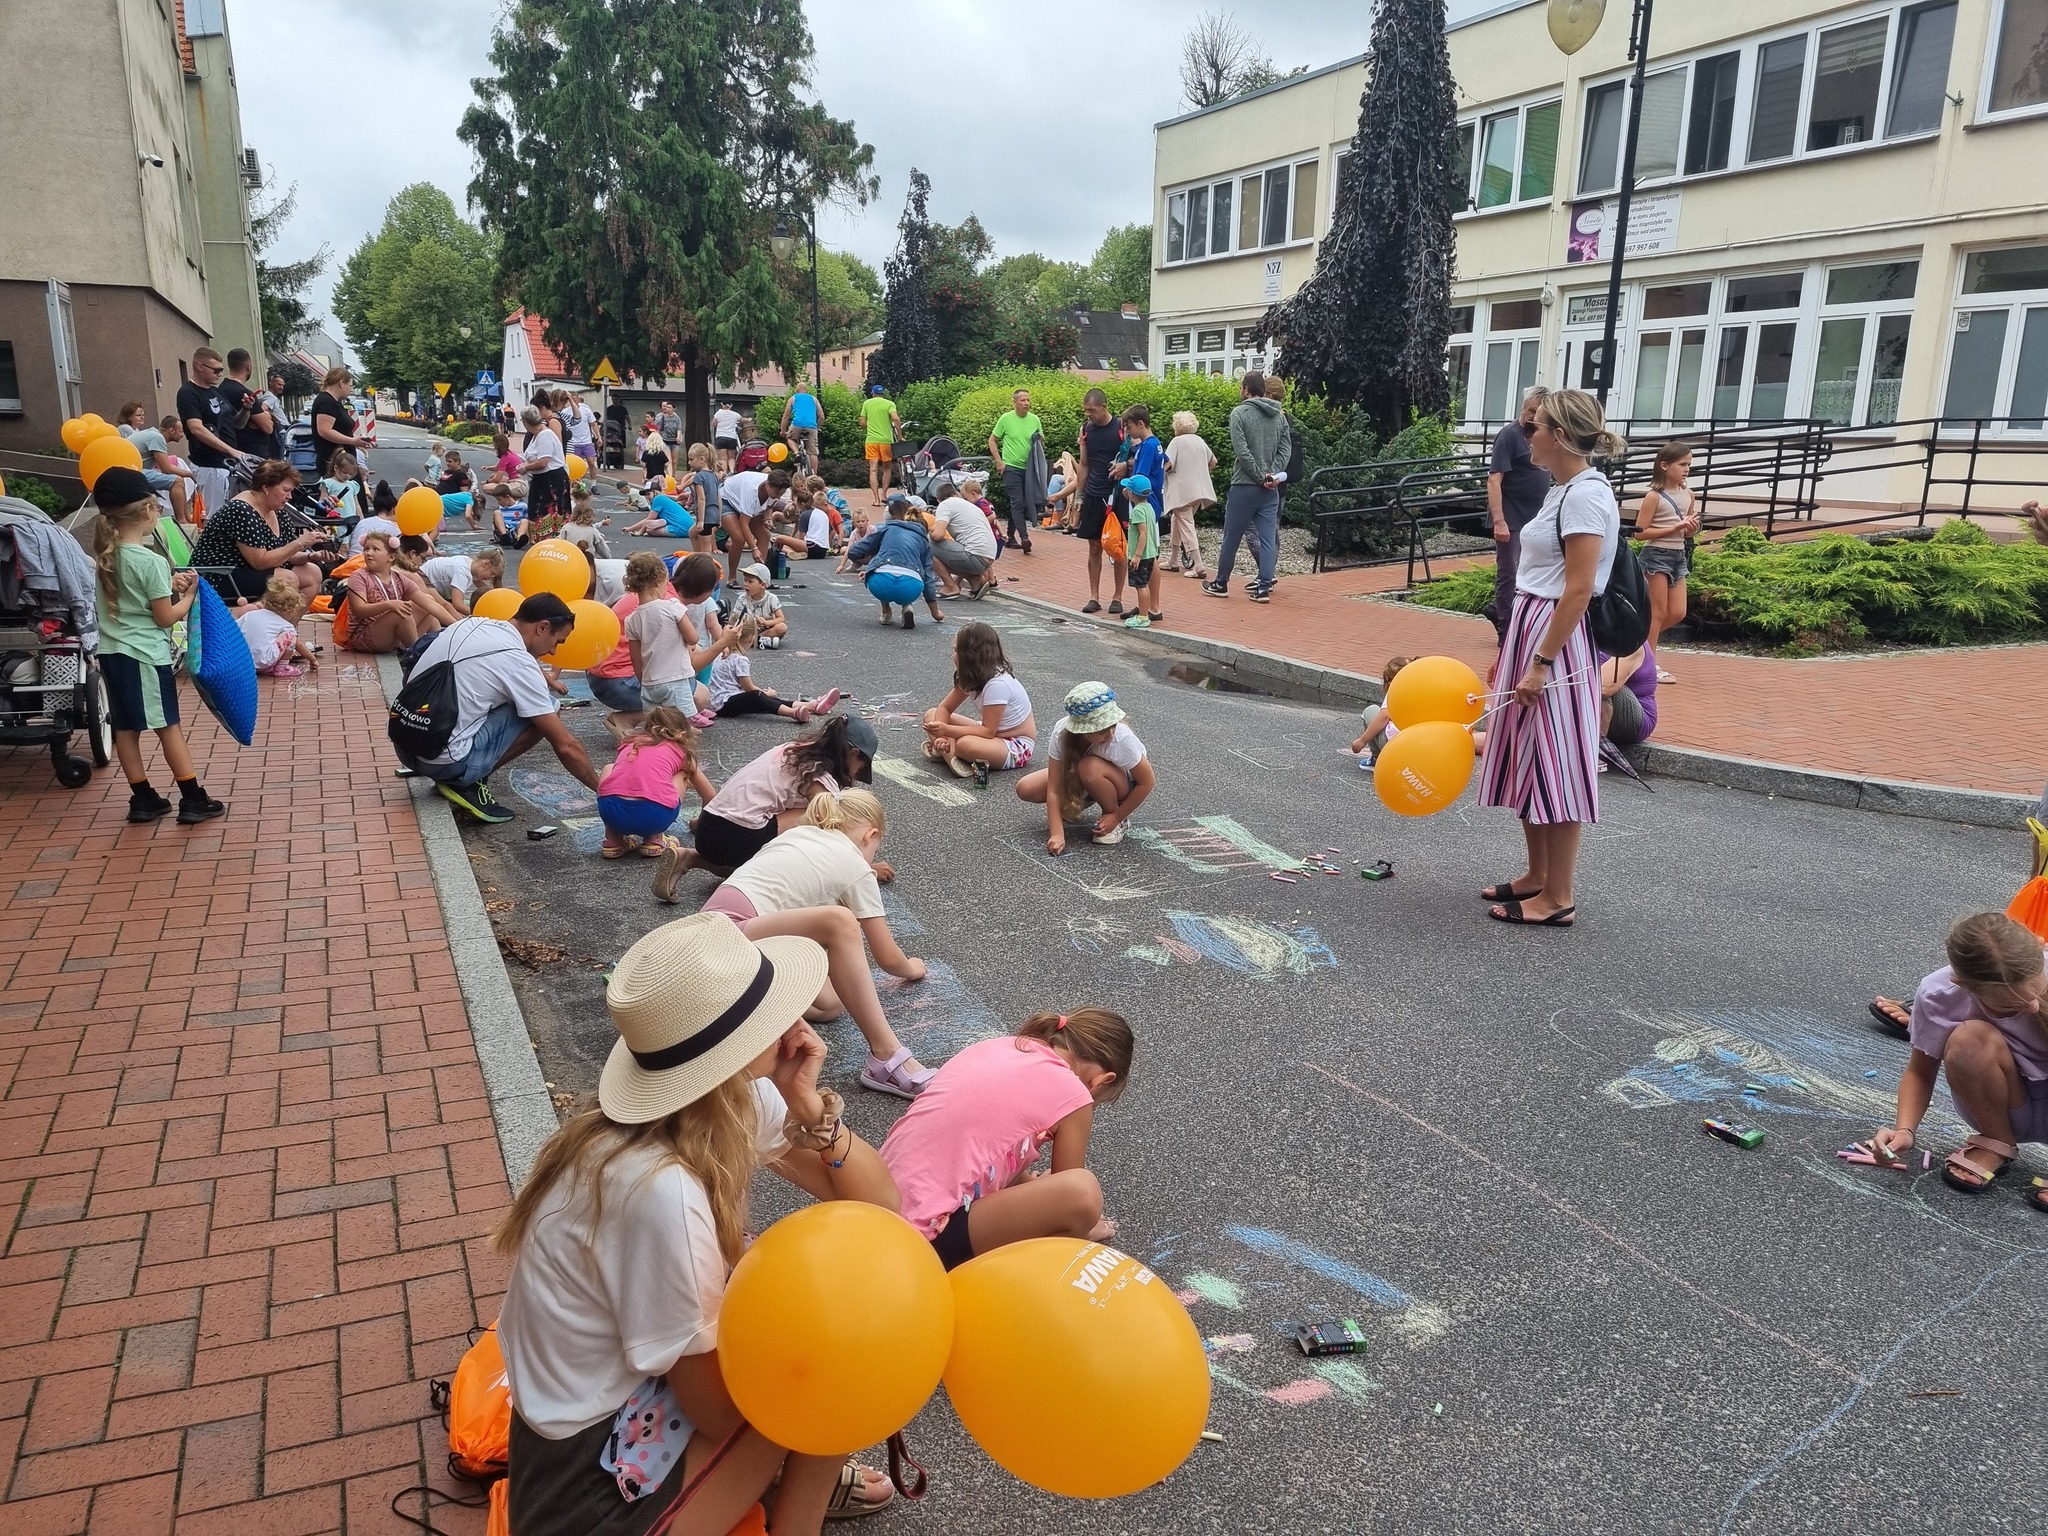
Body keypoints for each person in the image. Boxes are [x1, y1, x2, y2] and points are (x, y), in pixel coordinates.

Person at [495, 915, 900, 1536]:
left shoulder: (714, 1104)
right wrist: (813, 1406)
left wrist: (809, 1107)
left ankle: (784, 1478)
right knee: (840, 1383)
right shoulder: (660, 1192)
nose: (794, 1020)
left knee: (814, 1345)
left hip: (617, 1417)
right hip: (584, 1494)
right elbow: (714, 1410)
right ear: (735, 1045)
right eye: (773, 1008)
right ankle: (794, 1506)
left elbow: (880, 1212)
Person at [1478, 388, 1625, 929]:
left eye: (1535, 426)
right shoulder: (1561, 490)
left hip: (1557, 638)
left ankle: (1558, 895)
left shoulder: (1586, 495)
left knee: (1557, 762)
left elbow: (1580, 588)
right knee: (1528, 755)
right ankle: (1536, 875)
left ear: (1560, 436)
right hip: (1534, 626)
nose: (1527, 433)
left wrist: (1541, 661)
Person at [700, 790, 934, 1099]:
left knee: (830, 1003)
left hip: (707, 940)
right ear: (870, 835)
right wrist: (913, 968)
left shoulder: (797, 836)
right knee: (840, 922)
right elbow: (888, 958)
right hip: (731, 940)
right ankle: (885, 1056)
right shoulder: (855, 864)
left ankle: (751, 1005)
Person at [881, 1009, 1132, 1269]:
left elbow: (989, 1145)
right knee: (1083, 1193)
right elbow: (1068, 1186)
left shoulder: (1002, 1046)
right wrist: (1088, 1228)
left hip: (877, 1199)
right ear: (1102, 1081)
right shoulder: (1075, 1094)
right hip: (925, 1235)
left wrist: (1026, 1185)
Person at [1866, 912, 2047, 1204]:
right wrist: (1905, 1129)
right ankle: (1996, 1142)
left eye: (2036, 992)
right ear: (1961, 984)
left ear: (2040, 945)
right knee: (1969, 1039)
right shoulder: (1938, 994)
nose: (2034, 1005)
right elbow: (1920, 1072)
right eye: (2011, 1005)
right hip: (2008, 1106)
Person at [89, 468, 227, 825]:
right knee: (168, 727)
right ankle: (193, 798)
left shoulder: (108, 556)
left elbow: (134, 598)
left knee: (126, 729)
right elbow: (165, 617)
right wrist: (190, 593)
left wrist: (170, 583)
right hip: (145, 657)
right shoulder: (149, 559)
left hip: (112, 654)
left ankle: (144, 798)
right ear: (148, 511)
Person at [392, 594, 603, 823]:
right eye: (557, 641)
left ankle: (458, 765)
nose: (553, 652)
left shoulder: (469, 623)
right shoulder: (518, 662)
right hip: (442, 764)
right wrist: (604, 790)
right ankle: (468, 782)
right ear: (542, 628)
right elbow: (565, 745)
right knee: (546, 707)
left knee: (513, 697)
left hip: (403, 748)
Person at [660, 715, 881, 894]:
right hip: (735, 839)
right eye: (861, 765)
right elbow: (836, 832)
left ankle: (690, 857)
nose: (857, 772)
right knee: (822, 812)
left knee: (747, 867)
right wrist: (863, 868)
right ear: (853, 754)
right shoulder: (819, 778)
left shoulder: (792, 750)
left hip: (709, 828)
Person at [1017, 682, 1154, 856]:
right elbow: (1054, 789)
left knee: (1089, 767)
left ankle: (1114, 818)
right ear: (1081, 731)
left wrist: (1117, 816)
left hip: (1122, 785)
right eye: (1102, 730)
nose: (1110, 733)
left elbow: (1147, 782)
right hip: (1086, 777)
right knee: (1026, 788)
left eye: (1113, 725)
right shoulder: (1061, 733)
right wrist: (1057, 834)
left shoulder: (1120, 739)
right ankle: (1087, 796)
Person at [1203, 372, 1291, 604]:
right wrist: (1271, 474)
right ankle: (1263, 588)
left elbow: (1242, 451)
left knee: (1232, 536)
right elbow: (1285, 449)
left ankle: (1221, 583)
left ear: (1245, 389)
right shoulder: (1279, 417)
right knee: (1268, 538)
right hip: (1270, 488)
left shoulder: (1239, 413)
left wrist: (1257, 475)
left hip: (1244, 485)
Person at [191, 459, 330, 605]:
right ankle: (271, 627)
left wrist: (312, 555)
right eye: (286, 490)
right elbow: (260, 562)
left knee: (311, 573)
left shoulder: (277, 509)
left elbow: (286, 553)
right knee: (286, 579)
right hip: (219, 576)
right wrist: (301, 542)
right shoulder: (241, 510)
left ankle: (288, 627)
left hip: (248, 572)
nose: (290, 497)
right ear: (266, 487)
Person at [596, 706, 715, 860]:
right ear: (683, 733)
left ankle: (613, 839)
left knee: (609, 768)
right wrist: (700, 824)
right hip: (653, 818)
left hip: (612, 814)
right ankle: (655, 839)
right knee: (682, 774)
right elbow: (710, 796)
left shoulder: (631, 744)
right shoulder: (682, 753)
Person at [921, 620, 1035, 779]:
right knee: (931, 715)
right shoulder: (971, 676)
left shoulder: (998, 684)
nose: (952, 655)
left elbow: (988, 731)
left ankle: (950, 754)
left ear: (969, 655)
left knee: (965, 744)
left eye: (955, 650)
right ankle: (953, 757)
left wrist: (946, 731)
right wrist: (941, 737)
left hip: (1015, 744)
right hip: (990, 735)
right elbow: (945, 708)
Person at [1487, 388, 1554, 643]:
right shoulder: (1509, 435)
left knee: (1531, 572)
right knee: (1510, 571)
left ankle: (1501, 612)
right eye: (1532, 411)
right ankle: (1506, 628)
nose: (1534, 416)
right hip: (1512, 514)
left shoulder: (1543, 435)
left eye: (1540, 413)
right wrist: (1499, 520)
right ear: (1524, 408)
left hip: (1537, 516)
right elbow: (1494, 480)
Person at [625, 559, 720, 727]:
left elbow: (635, 658)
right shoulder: (672, 606)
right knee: (683, 725)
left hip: (649, 683)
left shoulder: (631, 619)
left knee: (656, 725)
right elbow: (693, 638)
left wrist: (643, 680)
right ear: (658, 582)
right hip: (675, 679)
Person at [1634, 441, 1698, 684]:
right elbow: (1639, 533)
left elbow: (1688, 531)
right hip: (1656, 555)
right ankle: (1648, 665)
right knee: (1657, 613)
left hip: (1678, 555)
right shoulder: (1654, 496)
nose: (1686, 469)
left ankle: (1637, 644)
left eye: (1688, 465)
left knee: (1678, 612)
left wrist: (1690, 529)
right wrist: (1674, 527)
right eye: (1682, 464)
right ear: (1664, 465)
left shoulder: (1688, 494)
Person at [707, 618, 837, 724]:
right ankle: (793, 713)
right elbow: (749, 689)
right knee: (758, 696)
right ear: (752, 638)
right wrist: (765, 693)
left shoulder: (719, 653)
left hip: (721, 702)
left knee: (764, 702)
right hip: (724, 704)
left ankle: (811, 705)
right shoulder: (740, 659)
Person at [176, 346, 253, 519]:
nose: (219, 374)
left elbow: (236, 424)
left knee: (231, 516)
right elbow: (196, 428)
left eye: (221, 370)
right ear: (199, 366)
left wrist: (246, 409)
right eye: (216, 370)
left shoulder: (214, 391)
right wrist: (230, 450)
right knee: (215, 517)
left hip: (227, 463)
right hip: (209, 464)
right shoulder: (188, 393)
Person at [845, 496, 943, 630]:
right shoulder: (922, 539)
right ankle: (907, 605)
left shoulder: (885, 529)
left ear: (891, 515)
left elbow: (854, 551)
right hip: (911, 587)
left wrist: (872, 553)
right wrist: (935, 613)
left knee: (880, 563)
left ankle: (886, 612)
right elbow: (928, 577)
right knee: (912, 573)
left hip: (880, 584)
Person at [344, 532, 444, 654]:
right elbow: (360, 610)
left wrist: (460, 626)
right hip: (364, 636)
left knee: (428, 601)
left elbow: (433, 606)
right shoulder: (359, 576)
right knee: (401, 612)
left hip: (391, 634)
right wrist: (389, 605)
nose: (369, 553)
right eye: (366, 549)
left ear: (391, 557)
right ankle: (415, 655)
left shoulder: (398, 578)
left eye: (375, 549)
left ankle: (440, 645)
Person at [1075, 389, 1127, 614]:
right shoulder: (1086, 430)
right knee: (1094, 546)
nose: (1089, 415)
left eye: (1092, 411)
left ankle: (1117, 596)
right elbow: (1084, 464)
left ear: (1104, 407)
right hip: (1095, 494)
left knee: (1118, 547)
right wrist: (1079, 495)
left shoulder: (1121, 427)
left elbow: (1138, 454)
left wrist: (1127, 465)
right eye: (1086, 411)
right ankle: (1094, 596)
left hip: (1118, 494)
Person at [1161, 411, 1215, 580]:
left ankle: (1198, 565)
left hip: (1181, 491)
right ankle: (1173, 560)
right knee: (1177, 520)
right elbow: (1213, 461)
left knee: (1186, 524)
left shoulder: (1177, 442)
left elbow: (1167, 463)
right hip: (1199, 491)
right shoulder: (1199, 441)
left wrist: (1158, 477)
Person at [987, 388, 1043, 552]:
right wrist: (999, 461)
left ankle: (1011, 537)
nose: (1026, 403)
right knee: (1017, 501)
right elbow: (992, 441)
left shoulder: (1035, 420)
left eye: (1028, 400)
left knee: (1022, 503)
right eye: (1022, 400)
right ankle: (1024, 538)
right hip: (1011, 466)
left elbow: (1040, 442)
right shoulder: (1006, 419)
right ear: (1014, 402)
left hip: (1030, 469)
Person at [119, 402, 195, 523]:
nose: (182, 435)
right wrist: (190, 474)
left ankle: (188, 518)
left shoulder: (152, 434)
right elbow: (167, 469)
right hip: (132, 472)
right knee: (177, 481)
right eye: (180, 431)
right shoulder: (157, 438)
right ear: (171, 430)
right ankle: (182, 521)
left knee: (178, 479)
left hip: (131, 471)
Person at [930, 474, 999, 598]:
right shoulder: (970, 506)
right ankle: (975, 581)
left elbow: (937, 535)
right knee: (949, 551)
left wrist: (932, 530)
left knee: (926, 543)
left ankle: (951, 586)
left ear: (938, 499)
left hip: (975, 557)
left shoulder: (946, 504)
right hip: (988, 558)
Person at [719, 466, 793, 582]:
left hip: (747, 506)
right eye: (777, 493)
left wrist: (767, 518)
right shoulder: (751, 491)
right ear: (767, 485)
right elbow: (744, 523)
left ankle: (760, 577)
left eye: (781, 494)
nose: (778, 497)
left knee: (764, 535)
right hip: (727, 501)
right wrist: (754, 548)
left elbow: (769, 506)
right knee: (739, 539)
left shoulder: (774, 488)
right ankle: (732, 577)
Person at [239, 573, 318, 678]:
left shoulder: (249, 615)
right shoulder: (284, 624)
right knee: (290, 636)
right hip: (264, 662)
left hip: (243, 663)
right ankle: (282, 668)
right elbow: (299, 645)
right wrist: (313, 659)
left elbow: (233, 629)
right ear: (288, 610)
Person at [1118, 473, 1163, 629]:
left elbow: (1142, 534)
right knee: (1143, 584)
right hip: (1150, 553)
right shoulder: (1149, 507)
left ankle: (1143, 616)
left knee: (1140, 585)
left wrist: (1136, 555)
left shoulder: (1137, 511)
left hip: (1141, 555)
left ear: (1131, 493)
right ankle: (1144, 612)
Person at [309, 365, 369, 478]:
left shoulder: (333, 402)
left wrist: (357, 441)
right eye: (350, 386)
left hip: (342, 462)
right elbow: (325, 431)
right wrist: (352, 441)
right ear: (341, 383)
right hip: (335, 464)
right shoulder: (326, 402)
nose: (351, 390)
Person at [520, 404, 571, 536]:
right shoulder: (536, 435)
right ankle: (540, 539)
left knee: (547, 513)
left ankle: (549, 540)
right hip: (541, 479)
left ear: (526, 422)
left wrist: (526, 468)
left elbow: (543, 462)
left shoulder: (545, 435)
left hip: (551, 479)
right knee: (536, 511)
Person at [220, 348, 277, 462]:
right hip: (253, 454)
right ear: (248, 367)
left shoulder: (220, 390)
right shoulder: (245, 394)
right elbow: (268, 427)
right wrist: (267, 415)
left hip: (233, 450)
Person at [1599, 644, 1658, 749]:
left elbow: (1605, 686)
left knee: (1599, 686)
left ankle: (1597, 754)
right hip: (1610, 708)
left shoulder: (1633, 643)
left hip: (1639, 718)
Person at [419, 547, 505, 616]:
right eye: (492, 574)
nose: (490, 578)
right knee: (448, 610)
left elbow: (480, 584)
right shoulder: (463, 573)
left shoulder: (468, 562)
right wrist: (478, 617)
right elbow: (457, 604)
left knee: (454, 611)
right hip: (424, 580)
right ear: (485, 564)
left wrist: (495, 596)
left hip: (426, 575)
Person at [731, 563, 789, 647]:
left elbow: (781, 618)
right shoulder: (742, 599)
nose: (745, 584)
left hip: (765, 630)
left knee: (782, 627)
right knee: (733, 632)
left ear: (763, 585)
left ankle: (757, 640)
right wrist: (752, 622)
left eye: (750, 581)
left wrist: (766, 622)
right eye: (745, 580)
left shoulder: (771, 598)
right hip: (747, 631)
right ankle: (761, 641)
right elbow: (736, 620)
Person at [860, 385, 899, 507]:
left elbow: (862, 422)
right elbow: (895, 418)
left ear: (873, 393)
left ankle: (876, 500)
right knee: (887, 469)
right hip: (886, 440)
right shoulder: (889, 404)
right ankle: (884, 495)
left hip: (871, 440)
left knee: (873, 469)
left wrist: (870, 426)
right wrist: (900, 435)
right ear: (883, 394)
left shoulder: (867, 403)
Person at [781, 382, 823, 470]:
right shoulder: (814, 399)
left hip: (797, 425)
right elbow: (822, 417)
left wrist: (783, 431)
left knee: (790, 438)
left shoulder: (793, 398)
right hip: (811, 426)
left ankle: (797, 453)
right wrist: (817, 428)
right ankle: (814, 476)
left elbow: (786, 416)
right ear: (806, 390)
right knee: (813, 452)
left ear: (796, 390)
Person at [1043, 449, 1082, 531]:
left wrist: (1072, 459)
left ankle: (1050, 501)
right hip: (1079, 481)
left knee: (1058, 480)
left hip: (1085, 483)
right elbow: (1081, 472)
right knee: (1058, 483)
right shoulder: (1086, 453)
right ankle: (1059, 520)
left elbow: (1081, 475)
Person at [562, 391, 597, 471]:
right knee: (577, 464)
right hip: (574, 442)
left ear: (578, 399)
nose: (573, 401)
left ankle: (593, 482)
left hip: (587, 441)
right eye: (571, 400)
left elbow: (593, 424)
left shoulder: (586, 410)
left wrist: (598, 436)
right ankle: (578, 481)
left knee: (591, 462)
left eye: (574, 399)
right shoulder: (565, 412)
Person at [710, 400, 744, 477]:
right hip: (732, 437)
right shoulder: (735, 414)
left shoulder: (718, 413)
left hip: (721, 437)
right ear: (731, 405)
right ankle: (732, 472)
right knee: (731, 457)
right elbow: (742, 420)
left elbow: (713, 424)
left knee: (723, 458)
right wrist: (748, 419)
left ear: (722, 404)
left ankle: (724, 473)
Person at [655, 399, 682, 464]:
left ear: (673, 409)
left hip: (674, 440)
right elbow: (658, 427)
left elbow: (679, 428)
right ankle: (669, 473)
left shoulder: (677, 417)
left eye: (669, 407)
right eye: (665, 407)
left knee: (674, 460)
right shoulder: (660, 416)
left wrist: (678, 437)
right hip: (665, 440)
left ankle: (673, 474)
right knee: (668, 460)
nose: (666, 408)